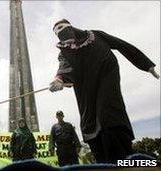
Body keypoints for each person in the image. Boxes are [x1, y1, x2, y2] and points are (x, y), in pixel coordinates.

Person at [49, 19, 159, 163]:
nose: (60, 33)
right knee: (91, 122)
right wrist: (59, 80)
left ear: (71, 26)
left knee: (109, 114)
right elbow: (64, 67)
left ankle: (123, 159)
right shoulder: (65, 51)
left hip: (107, 79)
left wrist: (145, 64)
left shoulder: (96, 36)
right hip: (86, 91)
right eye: (56, 32)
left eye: (61, 28)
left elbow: (121, 45)